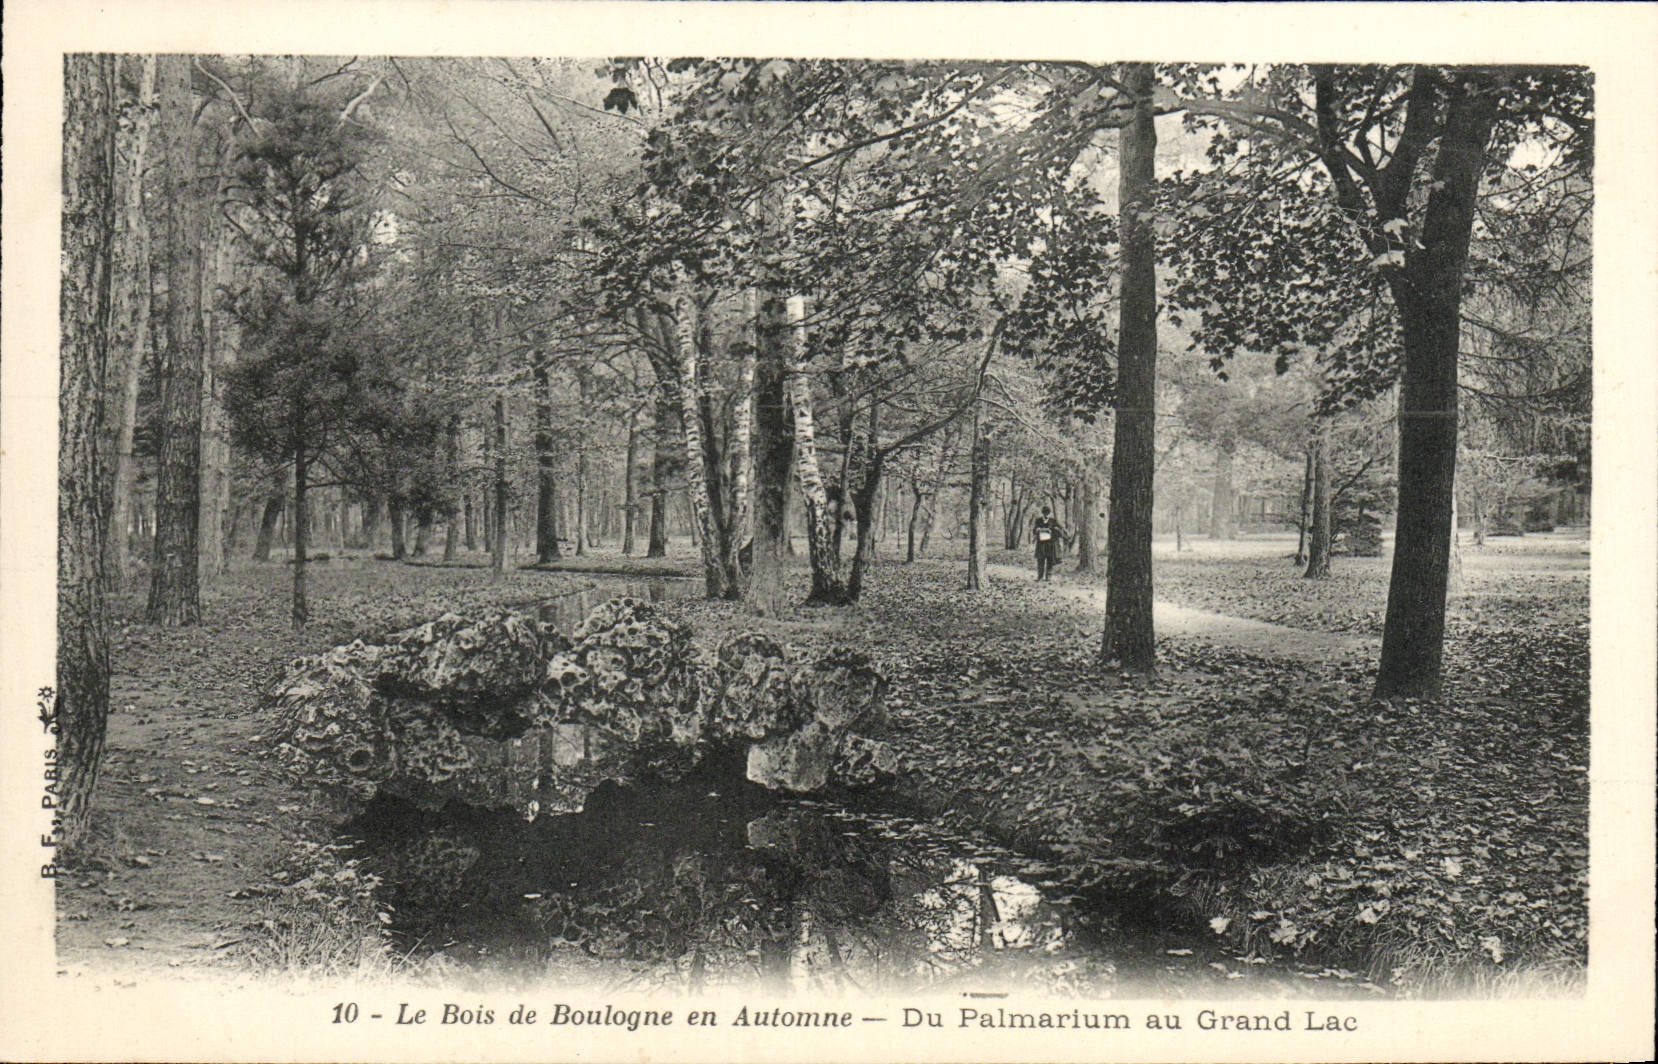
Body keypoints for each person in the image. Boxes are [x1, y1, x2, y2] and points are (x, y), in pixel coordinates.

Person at [1032, 506, 1065, 581]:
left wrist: (1052, 530)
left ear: (1049, 514)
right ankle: (1040, 576)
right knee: (1040, 560)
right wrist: (1038, 529)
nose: (1046, 515)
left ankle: (1048, 576)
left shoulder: (1053, 521)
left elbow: (1060, 529)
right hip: (1041, 543)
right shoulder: (1038, 520)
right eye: (1045, 513)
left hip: (1050, 543)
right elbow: (1034, 530)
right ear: (1042, 513)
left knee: (1050, 559)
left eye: (1047, 513)